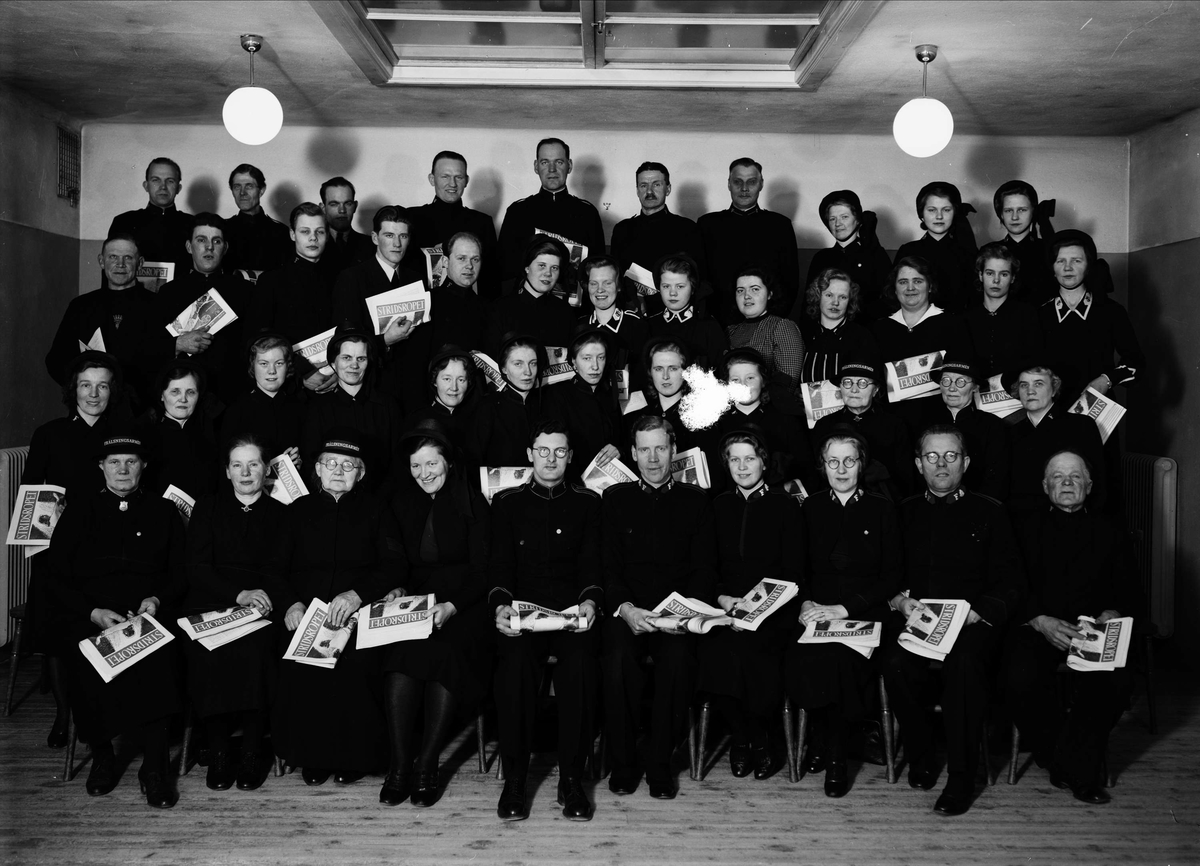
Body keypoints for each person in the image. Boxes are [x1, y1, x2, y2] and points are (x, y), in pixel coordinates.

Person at [882, 425, 1025, 816]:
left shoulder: (991, 511)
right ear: (918, 464)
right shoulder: (904, 511)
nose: (941, 464)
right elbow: (887, 573)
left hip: (971, 624)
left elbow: (1012, 581)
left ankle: (962, 777)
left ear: (966, 462)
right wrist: (899, 601)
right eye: (932, 456)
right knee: (895, 664)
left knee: (963, 666)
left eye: (951, 456)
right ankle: (922, 755)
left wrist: (979, 611)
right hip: (919, 622)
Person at [49, 433, 186, 808]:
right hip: (94, 613)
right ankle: (103, 756)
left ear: (144, 466)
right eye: (114, 462)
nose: (123, 469)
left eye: (131, 461)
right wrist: (93, 612)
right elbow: (56, 577)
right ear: (101, 467)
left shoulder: (164, 511)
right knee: (83, 654)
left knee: (160, 657)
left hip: (146, 611)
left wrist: (156, 600)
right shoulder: (80, 511)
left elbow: (180, 572)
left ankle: (154, 766)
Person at [1001, 450, 1142, 805]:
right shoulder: (1021, 528)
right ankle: (1064, 759)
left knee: (1116, 679)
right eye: (1058, 477)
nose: (1067, 483)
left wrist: (1113, 611)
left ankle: (1076, 769)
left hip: (1092, 631)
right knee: (1019, 676)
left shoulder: (1111, 529)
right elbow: (1010, 585)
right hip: (1039, 627)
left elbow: (1131, 589)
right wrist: (1039, 619)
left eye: (1075, 477)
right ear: (1045, 486)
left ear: (1089, 486)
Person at [273, 431, 403, 786]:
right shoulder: (296, 511)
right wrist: (291, 604)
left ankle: (354, 758)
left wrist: (357, 595)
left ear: (361, 473)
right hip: (306, 611)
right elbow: (273, 569)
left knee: (356, 665)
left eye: (348, 465)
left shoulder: (377, 509)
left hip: (360, 611)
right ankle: (312, 757)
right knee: (302, 667)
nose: (338, 471)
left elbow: (394, 565)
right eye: (330, 463)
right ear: (317, 469)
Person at [490, 421, 603, 821]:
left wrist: (590, 600)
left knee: (581, 667)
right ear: (529, 454)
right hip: (523, 615)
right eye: (543, 451)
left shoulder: (589, 502)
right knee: (514, 667)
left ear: (570, 457)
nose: (550, 459)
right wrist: (501, 607)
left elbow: (593, 562)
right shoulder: (506, 502)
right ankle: (515, 780)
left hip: (572, 614)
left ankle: (571, 780)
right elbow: (499, 565)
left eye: (559, 451)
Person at [601, 415, 717, 799]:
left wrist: (682, 614)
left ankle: (658, 762)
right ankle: (623, 763)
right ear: (633, 454)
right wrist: (626, 609)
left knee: (680, 661)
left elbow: (704, 569)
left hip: (676, 616)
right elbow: (608, 567)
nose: (653, 458)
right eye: (645, 450)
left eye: (661, 449)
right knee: (617, 659)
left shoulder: (696, 500)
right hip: (629, 612)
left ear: (673, 451)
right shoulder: (614, 499)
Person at [784, 429, 902, 797]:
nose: (841, 469)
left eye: (849, 461)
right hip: (817, 612)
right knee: (803, 655)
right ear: (823, 466)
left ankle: (835, 756)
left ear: (861, 464)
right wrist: (805, 603)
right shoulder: (809, 507)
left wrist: (845, 608)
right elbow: (796, 568)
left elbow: (892, 577)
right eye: (833, 461)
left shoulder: (883, 508)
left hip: (865, 613)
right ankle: (822, 737)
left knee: (837, 659)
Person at [382, 421, 491, 807]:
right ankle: (400, 765)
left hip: (466, 605)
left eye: (431, 463)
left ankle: (427, 764)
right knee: (400, 659)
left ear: (448, 463)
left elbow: (484, 572)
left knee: (447, 654)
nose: (424, 473)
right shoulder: (401, 503)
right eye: (416, 466)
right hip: (418, 603)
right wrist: (397, 589)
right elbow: (397, 562)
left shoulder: (474, 503)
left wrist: (452, 606)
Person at [23, 352, 129, 748]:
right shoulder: (49, 434)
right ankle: (64, 713)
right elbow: (31, 493)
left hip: (108, 548)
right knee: (57, 625)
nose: (94, 394)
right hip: (58, 548)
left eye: (102, 386)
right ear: (74, 390)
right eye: (86, 385)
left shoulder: (124, 433)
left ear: (112, 391)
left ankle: (100, 710)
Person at [181, 435, 291, 791]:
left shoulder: (281, 514)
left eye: (253, 464)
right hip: (211, 601)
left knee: (256, 652)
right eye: (237, 465)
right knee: (209, 653)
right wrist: (237, 594)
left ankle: (250, 751)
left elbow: (279, 569)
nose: (245, 473)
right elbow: (197, 567)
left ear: (266, 470)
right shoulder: (208, 507)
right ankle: (219, 750)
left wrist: (256, 597)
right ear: (227, 471)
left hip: (261, 605)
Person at [699, 427, 803, 781]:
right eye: (735, 460)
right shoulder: (717, 506)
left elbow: (795, 571)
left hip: (775, 610)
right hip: (726, 607)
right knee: (718, 650)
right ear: (726, 464)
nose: (742, 467)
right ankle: (741, 737)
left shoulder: (785, 505)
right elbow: (707, 566)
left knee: (756, 649)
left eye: (749, 459)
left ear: (763, 462)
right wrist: (722, 598)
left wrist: (763, 606)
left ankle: (760, 739)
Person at [46, 234, 171, 411]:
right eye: (113, 257)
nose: (120, 264)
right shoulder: (81, 306)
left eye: (128, 258)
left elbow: (165, 364)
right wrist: (83, 390)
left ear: (140, 263)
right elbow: (55, 361)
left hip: (141, 409)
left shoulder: (158, 306)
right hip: (92, 408)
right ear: (101, 261)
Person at [1037, 229, 1144, 403]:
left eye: (1076, 261)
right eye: (1060, 261)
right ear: (1052, 268)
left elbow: (1136, 362)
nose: (1067, 268)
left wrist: (1106, 380)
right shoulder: (1039, 314)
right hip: (1050, 410)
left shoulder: (1111, 311)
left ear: (1088, 266)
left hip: (1098, 407)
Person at [157, 213, 253, 406]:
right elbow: (151, 345)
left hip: (231, 395)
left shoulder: (245, 291)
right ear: (188, 247)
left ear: (225, 248)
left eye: (216, 241)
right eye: (201, 240)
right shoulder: (168, 292)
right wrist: (177, 344)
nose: (209, 247)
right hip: (183, 397)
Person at [869, 255, 969, 438]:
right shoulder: (880, 329)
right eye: (903, 282)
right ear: (894, 288)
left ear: (930, 286)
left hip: (940, 424)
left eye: (917, 281)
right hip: (891, 426)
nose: (910, 288)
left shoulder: (952, 324)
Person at [332, 205, 427, 396]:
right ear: (375, 238)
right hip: (371, 385)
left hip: (412, 384)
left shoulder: (417, 279)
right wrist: (385, 340)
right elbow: (344, 340)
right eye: (389, 235)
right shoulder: (352, 278)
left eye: (403, 236)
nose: (397, 244)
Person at [300, 320, 403, 496]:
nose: (354, 365)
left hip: (380, 500)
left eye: (360, 359)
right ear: (333, 363)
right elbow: (311, 464)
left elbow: (399, 462)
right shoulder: (317, 409)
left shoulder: (388, 406)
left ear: (368, 362)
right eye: (346, 358)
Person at [393, 231, 486, 414]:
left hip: (475, 408)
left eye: (475, 259)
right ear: (445, 262)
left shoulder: (487, 308)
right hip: (431, 408)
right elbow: (413, 369)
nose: (469, 266)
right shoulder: (427, 303)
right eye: (461, 258)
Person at [698, 157, 799, 324]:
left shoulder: (780, 225)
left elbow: (790, 282)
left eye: (751, 182)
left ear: (761, 184)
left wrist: (772, 321)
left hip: (767, 321)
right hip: (718, 322)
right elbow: (701, 280)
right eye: (737, 182)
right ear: (729, 184)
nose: (744, 188)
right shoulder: (708, 225)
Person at [252, 203, 340, 389]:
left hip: (335, 378)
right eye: (305, 231)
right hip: (291, 383)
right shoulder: (271, 281)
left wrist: (340, 371)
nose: (313, 238)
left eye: (319, 232)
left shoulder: (340, 279)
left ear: (327, 235)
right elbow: (260, 339)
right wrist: (303, 372)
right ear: (292, 234)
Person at [1004, 361, 1106, 516]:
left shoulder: (1081, 426)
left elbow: (1099, 483)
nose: (1030, 391)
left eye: (1038, 384)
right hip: (1023, 521)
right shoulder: (1010, 433)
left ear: (1054, 389)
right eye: (1024, 385)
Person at [497, 138, 605, 282]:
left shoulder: (588, 213)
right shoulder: (517, 212)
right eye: (545, 162)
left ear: (569, 166)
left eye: (559, 162)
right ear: (536, 167)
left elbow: (598, 268)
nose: (552, 169)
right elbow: (505, 269)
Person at [811, 360, 914, 500]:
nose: (854, 390)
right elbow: (816, 476)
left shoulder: (895, 425)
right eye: (847, 382)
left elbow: (905, 478)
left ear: (875, 390)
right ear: (840, 387)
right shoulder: (824, 425)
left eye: (863, 383)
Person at [716, 348, 814, 493]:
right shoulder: (716, 425)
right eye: (735, 380)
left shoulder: (787, 421)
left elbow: (807, 473)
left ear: (763, 381)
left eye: (750, 378)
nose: (743, 385)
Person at [405, 151, 500, 300]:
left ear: (466, 181)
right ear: (432, 179)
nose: (452, 184)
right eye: (445, 176)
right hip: (426, 307)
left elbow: (491, 279)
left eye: (458, 177)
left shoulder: (482, 222)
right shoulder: (411, 218)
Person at [623, 339, 721, 480]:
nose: (665, 376)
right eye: (658, 369)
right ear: (650, 372)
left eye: (673, 368)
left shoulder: (703, 419)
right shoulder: (636, 417)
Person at [926, 356, 1011, 500]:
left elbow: (997, 479)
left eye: (961, 382)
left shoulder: (993, 426)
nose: (951, 388)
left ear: (975, 387)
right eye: (946, 380)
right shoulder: (925, 424)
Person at [610, 161, 707, 287]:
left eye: (656, 184)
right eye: (643, 185)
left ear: (668, 189)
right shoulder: (622, 230)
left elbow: (698, 279)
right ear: (637, 191)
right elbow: (614, 277)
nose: (649, 191)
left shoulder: (688, 229)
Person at [545, 328, 623, 484]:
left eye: (601, 358)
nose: (595, 366)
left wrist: (618, 449)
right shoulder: (557, 395)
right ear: (574, 361)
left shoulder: (609, 395)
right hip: (572, 486)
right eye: (587, 358)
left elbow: (622, 437)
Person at [218, 332, 307, 464]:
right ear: (252, 366)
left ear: (288, 366)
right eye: (264, 364)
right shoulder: (236, 411)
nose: (272, 371)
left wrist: (300, 463)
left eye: (279, 363)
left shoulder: (300, 408)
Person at [726, 267, 805, 413]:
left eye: (755, 289)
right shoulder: (731, 331)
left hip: (770, 412)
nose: (746, 296)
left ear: (769, 294)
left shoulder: (782, 327)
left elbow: (787, 384)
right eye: (740, 290)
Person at [484, 236, 576, 359]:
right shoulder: (499, 309)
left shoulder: (565, 311)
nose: (548, 273)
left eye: (554, 268)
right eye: (542, 265)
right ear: (527, 268)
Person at [893, 182, 978, 314]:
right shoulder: (908, 251)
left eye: (946, 210)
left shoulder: (967, 253)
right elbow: (894, 297)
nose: (939, 216)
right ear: (921, 213)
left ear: (955, 212)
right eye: (932, 210)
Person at [802, 190, 892, 314]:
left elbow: (888, 301)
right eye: (832, 219)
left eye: (844, 217)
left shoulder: (875, 255)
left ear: (857, 220)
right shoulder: (821, 258)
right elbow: (808, 306)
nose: (837, 223)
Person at [962, 242, 1042, 380]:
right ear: (980, 275)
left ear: (1013, 278)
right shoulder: (966, 318)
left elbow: (1034, 362)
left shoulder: (1027, 315)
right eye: (990, 273)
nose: (996, 280)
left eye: (1004, 274)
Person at [107, 157, 194, 280]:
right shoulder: (124, 222)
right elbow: (110, 272)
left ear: (178, 188)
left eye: (170, 181)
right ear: (146, 186)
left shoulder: (192, 224)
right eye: (155, 180)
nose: (163, 187)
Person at [141, 361, 219, 500]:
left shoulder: (211, 436)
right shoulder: (146, 438)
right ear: (162, 395)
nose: (183, 399)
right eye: (175, 391)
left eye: (190, 392)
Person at [465, 334, 546, 467]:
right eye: (518, 364)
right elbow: (473, 464)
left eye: (533, 363)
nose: (528, 372)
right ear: (504, 369)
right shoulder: (487, 408)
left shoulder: (548, 404)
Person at [577, 254, 648, 392]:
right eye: (594, 283)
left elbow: (644, 378)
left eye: (607, 283)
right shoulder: (579, 326)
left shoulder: (637, 326)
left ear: (619, 286)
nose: (600, 289)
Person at [645, 254, 728, 371]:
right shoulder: (648, 325)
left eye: (680, 286)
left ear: (692, 288)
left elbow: (722, 371)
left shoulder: (709, 326)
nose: (672, 293)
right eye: (666, 286)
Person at [795, 268, 879, 384]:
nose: (835, 302)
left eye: (843, 297)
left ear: (850, 300)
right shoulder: (802, 334)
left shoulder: (862, 337)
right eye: (829, 295)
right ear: (818, 296)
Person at [402, 344, 478, 457]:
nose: (454, 387)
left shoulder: (477, 420)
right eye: (447, 379)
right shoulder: (416, 420)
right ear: (434, 381)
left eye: (461, 380)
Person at [992, 180, 1056, 304]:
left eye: (1022, 210)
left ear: (1033, 211)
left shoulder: (1048, 249)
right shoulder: (989, 251)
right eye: (1008, 210)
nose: (1015, 217)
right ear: (1001, 214)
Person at [222, 164, 292, 273]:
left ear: (262, 190)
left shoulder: (281, 232)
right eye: (237, 187)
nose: (242, 193)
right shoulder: (222, 229)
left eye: (249, 186)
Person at [319, 176, 375, 275]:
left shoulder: (371, 246)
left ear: (355, 206)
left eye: (348, 203)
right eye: (334, 204)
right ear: (323, 208)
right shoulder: (313, 244)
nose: (342, 210)